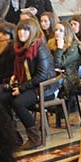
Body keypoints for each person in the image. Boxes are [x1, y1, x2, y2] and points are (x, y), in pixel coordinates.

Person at [5, 16, 56, 150]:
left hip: (45, 88)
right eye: (20, 30)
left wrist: (21, 89)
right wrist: (15, 77)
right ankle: (13, 137)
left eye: (26, 31)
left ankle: (34, 138)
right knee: (1, 98)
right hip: (30, 85)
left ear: (32, 32)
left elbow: (42, 75)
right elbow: (24, 70)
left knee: (18, 103)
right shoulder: (20, 48)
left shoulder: (40, 48)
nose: (22, 33)